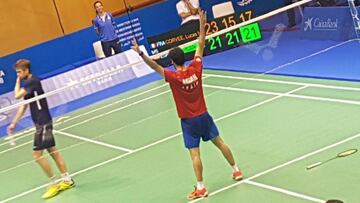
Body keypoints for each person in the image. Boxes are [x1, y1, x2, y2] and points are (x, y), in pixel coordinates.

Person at [131, 11, 243, 200]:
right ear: (184, 58)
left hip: (189, 122)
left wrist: (141, 53)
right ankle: (237, 170)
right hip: (204, 116)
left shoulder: (174, 77)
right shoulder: (196, 68)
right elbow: (200, 44)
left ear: (173, 62)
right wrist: (202, 24)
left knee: (195, 154)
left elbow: (154, 66)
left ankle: (201, 187)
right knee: (220, 142)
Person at [7, 59, 75, 199]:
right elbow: (24, 104)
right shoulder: (30, 84)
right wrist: (14, 123)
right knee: (53, 152)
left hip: (43, 123)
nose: (18, 75)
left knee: (37, 156)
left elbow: (16, 95)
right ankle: (67, 180)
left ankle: (54, 183)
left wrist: (18, 81)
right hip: (41, 122)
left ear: (26, 70)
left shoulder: (32, 81)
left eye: (19, 72)